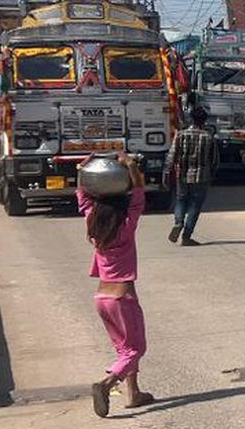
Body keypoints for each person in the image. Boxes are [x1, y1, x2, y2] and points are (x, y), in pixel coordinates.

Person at [78, 155, 154, 417]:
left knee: (124, 348)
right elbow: (139, 196)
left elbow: (83, 197)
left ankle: (134, 394)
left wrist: (83, 170)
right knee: (136, 349)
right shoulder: (126, 225)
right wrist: (132, 168)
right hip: (123, 297)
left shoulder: (93, 222)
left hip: (102, 298)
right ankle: (106, 384)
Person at [166, 108, 218, 246]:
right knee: (195, 206)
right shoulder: (209, 137)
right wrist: (211, 176)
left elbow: (171, 155)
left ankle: (178, 222)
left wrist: (166, 172)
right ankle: (186, 236)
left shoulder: (181, 135)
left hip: (182, 175)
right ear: (204, 121)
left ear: (191, 119)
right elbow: (214, 161)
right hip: (202, 177)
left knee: (180, 200)